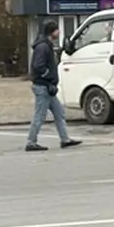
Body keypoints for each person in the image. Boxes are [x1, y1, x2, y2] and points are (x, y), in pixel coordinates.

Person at [26, 19, 81, 151]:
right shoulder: (43, 47)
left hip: (47, 87)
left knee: (59, 112)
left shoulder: (44, 45)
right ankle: (31, 142)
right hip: (43, 86)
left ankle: (65, 139)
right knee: (40, 115)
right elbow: (38, 66)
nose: (59, 32)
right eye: (57, 30)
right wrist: (48, 76)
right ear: (52, 32)